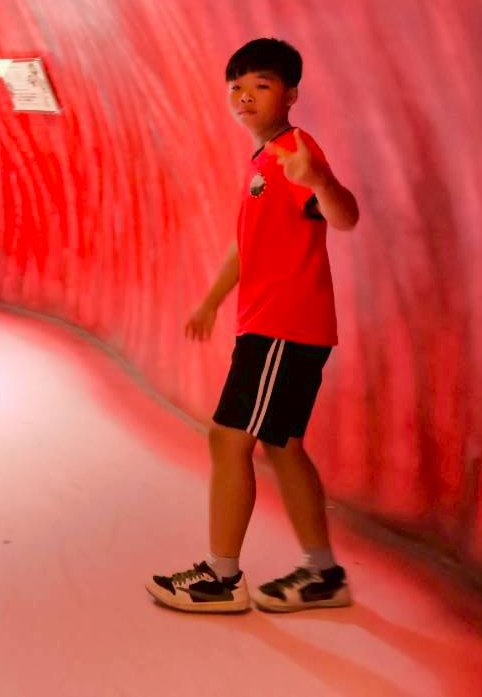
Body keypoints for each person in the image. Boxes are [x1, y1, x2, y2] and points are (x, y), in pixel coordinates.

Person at [147, 38, 360, 614]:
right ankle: (323, 574)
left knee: (227, 438)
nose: (244, 96)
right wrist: (212, 302)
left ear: (290, 95)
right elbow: (247, 244)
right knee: (282, 444)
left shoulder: (295, 154)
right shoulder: (264, 161)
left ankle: (221, 578)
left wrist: (320, 181)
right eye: (236, 87)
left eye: (260, 86)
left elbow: (345, 216)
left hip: (284, 326)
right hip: (275, 325)